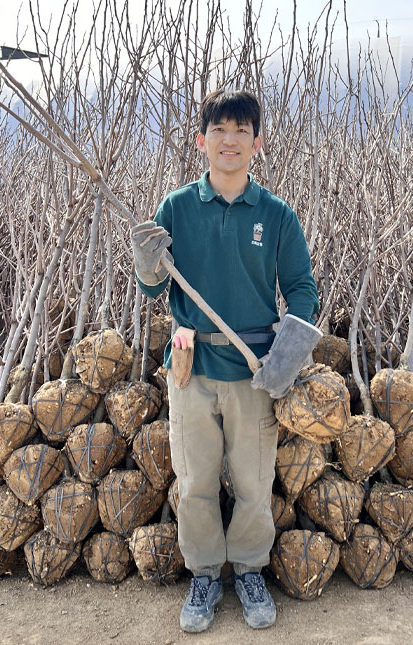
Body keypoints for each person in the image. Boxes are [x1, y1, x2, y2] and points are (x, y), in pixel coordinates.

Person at [131, 89, 319, 633]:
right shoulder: (177, 208)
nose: (229, 140)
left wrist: (286, 353)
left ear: (257, 142)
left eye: (241, 131)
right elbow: (152, 289)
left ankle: (251, 568)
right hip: (190, 365)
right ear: (202, 141)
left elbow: (302, 289)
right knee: (194, 480)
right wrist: (146, 265)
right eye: (219, 130)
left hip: (253, 369)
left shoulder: (277, 215)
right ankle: (206, 573)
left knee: (255, 481)